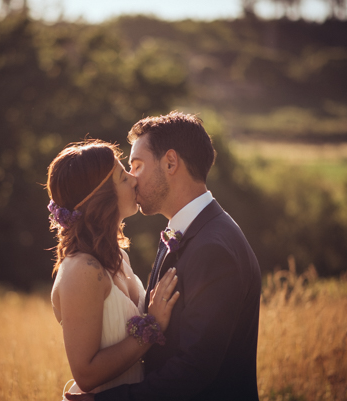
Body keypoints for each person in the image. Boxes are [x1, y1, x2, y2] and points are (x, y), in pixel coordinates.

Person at [66, 112, 262, 401]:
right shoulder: (187, 231)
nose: (132, 179)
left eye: (137, 165)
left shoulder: (213, 247)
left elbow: (194, 370)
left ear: (170, 163)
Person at [46, 140, 181, 398]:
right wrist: (151, 327)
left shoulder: (119, 256)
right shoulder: (81, 270)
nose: (134, 180)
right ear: (102, 197)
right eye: (123, 176)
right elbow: (85, 375)